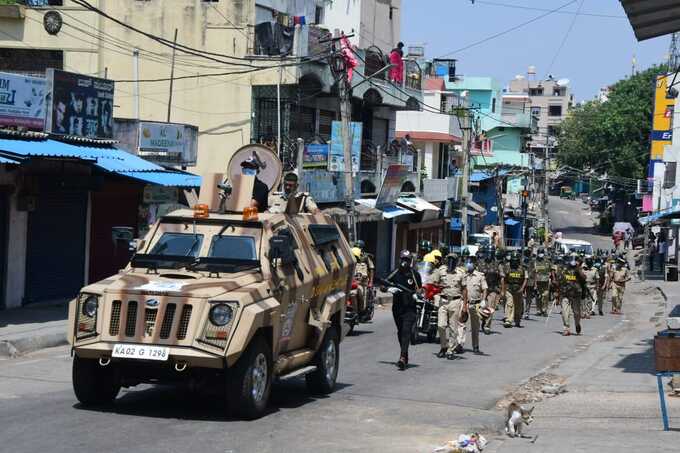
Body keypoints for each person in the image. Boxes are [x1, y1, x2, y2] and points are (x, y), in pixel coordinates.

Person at [384, 250, 422, 370]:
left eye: (407, 260)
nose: (405, 262)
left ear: (410, 261)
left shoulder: (415, 275)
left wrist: (417, 295)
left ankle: (402, 358)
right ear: (399, 260)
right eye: (403, 259)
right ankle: (405, 355)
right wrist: (389, 289)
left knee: (406, 331)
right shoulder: (394, 273)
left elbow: (420, 290)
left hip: (410, 308)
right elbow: (382, 285)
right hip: (397, 308)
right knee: (400, 332)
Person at [436, 254, 467, 360]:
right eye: (449, 259)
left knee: (453, 328)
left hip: (455, 301)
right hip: (443, 300)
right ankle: (443, 346)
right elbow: (435, 283)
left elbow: (464, 289)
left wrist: (465, 306)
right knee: (441, 325)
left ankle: (450, 350)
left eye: (453, 260)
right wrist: (438, 286)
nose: (451, 262)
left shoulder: (461, 273)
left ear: (456, 261)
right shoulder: (441, 270)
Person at [557, 258, 586, 336]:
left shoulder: (578, 270)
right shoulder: (563, 271)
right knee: (565, 312)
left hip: (576, 295)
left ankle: (577, 324)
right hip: (565, 294)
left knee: (576, 312)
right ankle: (566, 328)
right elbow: (558, 281)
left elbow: (584, 278)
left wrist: (578, 270)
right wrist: (557, 292)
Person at [465, 256, 488, 354]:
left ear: (474, 264)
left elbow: (485, 289)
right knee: (461, 326)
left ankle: (475, 346)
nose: (468, 264)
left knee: (475, 327)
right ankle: (458, 345)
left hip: (475, 304)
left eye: (470, 262)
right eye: (467, 262)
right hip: (464, 304)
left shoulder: (480, 276)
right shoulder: (463, 275)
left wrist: (483, 300)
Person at [480, 249, 504, 334]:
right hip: (482, 290)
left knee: (490, 308)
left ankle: (487, 326)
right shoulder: (480, 264)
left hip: (493, 289)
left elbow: (501, 278)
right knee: (481, 308)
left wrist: (502, 290)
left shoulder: (497, 265)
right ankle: (483, 320)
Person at [503, 253, 527, 328]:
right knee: (509, 303)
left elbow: (525, 279)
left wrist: (522, 289)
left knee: (518, 306)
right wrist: (503, 290)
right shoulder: (507, 267)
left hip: (519, 289)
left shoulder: (522, 268)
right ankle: (508, 320)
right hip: (509, 289)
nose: (514, 262)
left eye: (515, 260)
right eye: (513, 260)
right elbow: (504, 279)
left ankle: (517, 320)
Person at [352, 241, 375, 315]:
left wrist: (370, 282)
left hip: (362, 282)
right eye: (356, 247)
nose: (357, 249)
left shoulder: (366, 257)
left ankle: (361, 312)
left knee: (362, 296)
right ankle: (354, 312)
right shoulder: (351, 255)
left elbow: (371, 268)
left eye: (359, 247)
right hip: (352, 282)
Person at [534, 251, 551, 316]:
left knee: (545, 296)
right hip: (537, 281)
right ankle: (538, 310)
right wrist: (534, 283)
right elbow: (534, 272)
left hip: (546, 281)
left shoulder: (547, 261)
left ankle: (544, 310)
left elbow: (551, 270)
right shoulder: (535, 261)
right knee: (538, 296)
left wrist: (551, 279)